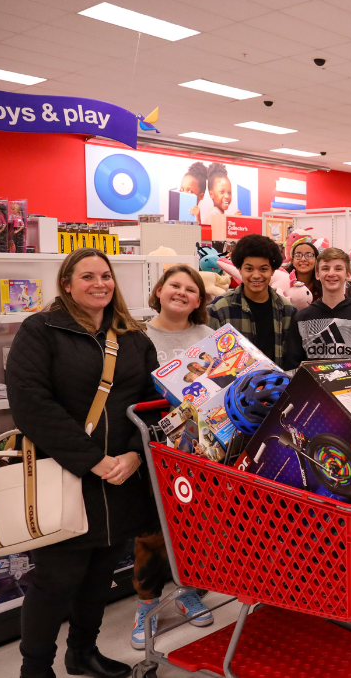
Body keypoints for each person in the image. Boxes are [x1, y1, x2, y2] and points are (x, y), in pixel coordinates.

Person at [7, 248, 160, 678]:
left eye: (106, 276)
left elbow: (152, 403)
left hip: (122, 479)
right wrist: (94, 461)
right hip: (67, 475)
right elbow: (31, 405)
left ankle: (82, 653)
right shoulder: (40, 331)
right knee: (54, 582)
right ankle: (35, 668)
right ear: (67, 284)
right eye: (88, 276)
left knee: (99, 577)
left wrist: (132, 454)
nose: (99, 284)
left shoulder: (133, 337)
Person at [131, 265, 214, 649]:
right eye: (174, 286)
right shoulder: (135, 335)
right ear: (160, 290)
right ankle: (146, 604)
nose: (181, 293)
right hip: (152, 447)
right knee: (150, 529)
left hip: (201, 449)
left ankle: (189, 591)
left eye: (190, 289)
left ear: (200, 299)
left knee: (197, 522)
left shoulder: (210, 337)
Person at [282, 247, 351, 378]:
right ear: (317, 274)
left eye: (338, 269)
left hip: (350, 394)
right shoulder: (301, 318)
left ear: (348, 274)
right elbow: (292, 366)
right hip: (312, 395)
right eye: (325, 268)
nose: (331, 273)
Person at [208, 234, 296, 367]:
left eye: (263, 269)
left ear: (272, 271)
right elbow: (209, 358)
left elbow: (292, 359)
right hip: (235, 386)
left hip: (277, 385)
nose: (256, 275)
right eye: (249, 269)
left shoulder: (288, 310)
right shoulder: (219, 309)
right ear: (239, 269)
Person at [285, 234, 320, 301]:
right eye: (298, 255)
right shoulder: (284, 281)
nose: (303, 259)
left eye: (309, 255)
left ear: (316, 259)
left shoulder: (323, 283)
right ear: (292, 260)